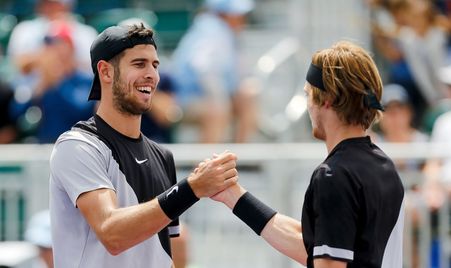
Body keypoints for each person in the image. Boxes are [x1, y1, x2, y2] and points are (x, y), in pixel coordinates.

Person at [49, 24, 238, 267]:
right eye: (139, 64)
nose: (152, 74)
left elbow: (166, 252)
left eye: (155, 65)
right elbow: (112, 233)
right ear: (105, 72)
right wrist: (192, 189)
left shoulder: (162, 156)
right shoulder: (77, 146)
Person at [211, 41, 405, 267]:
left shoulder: (334, 175)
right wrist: (233, 196)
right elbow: (314, 247)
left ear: (327, 100)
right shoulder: (384, 166)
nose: (307, 106)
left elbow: (329, 263)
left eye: (309, 95)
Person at [171, 0, 258, 143]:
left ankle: (241, 158)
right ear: (222, 14)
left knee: (248, 94)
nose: (243, 19)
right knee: (217, 109)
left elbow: (239, 73)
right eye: (237, 14)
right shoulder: (211, 29)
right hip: (186, 98)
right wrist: (219, 98)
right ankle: (207, 163)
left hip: (208, 96)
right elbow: (202, 68)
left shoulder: (228, 33)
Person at [8, 22, 95, 143]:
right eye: (49, 45)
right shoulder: (43, 79)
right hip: (45, 146)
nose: (53, 50)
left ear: (70, 47)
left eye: (58, 44)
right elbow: (16, 114)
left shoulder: (85, 79)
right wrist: (40, 88)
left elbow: (82, 112)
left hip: (78, 145)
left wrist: (57, 83)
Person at [7, 0, 97, 74]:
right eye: (45, 2)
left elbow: (93, 70)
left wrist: (67, 61)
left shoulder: (85, 32)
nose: (49, 6)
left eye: (54, 3)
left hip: (76, 92)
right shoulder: (24, 29)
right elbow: (15, 67)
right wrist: (44, 58)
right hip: (31, 92)